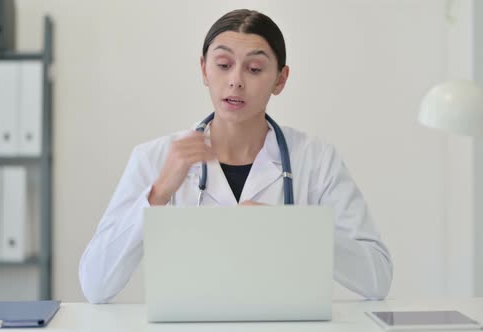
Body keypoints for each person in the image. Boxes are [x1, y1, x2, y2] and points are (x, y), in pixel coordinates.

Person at [79, 9, 392, 304]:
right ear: (204, 69)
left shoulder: (315, 158)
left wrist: (293, 230)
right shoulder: (154, 158)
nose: (236, 80)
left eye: (254, 69)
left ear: (280, 79)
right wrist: (158, 194)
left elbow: (377, 278)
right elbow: (95, 285)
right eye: (223, 65)